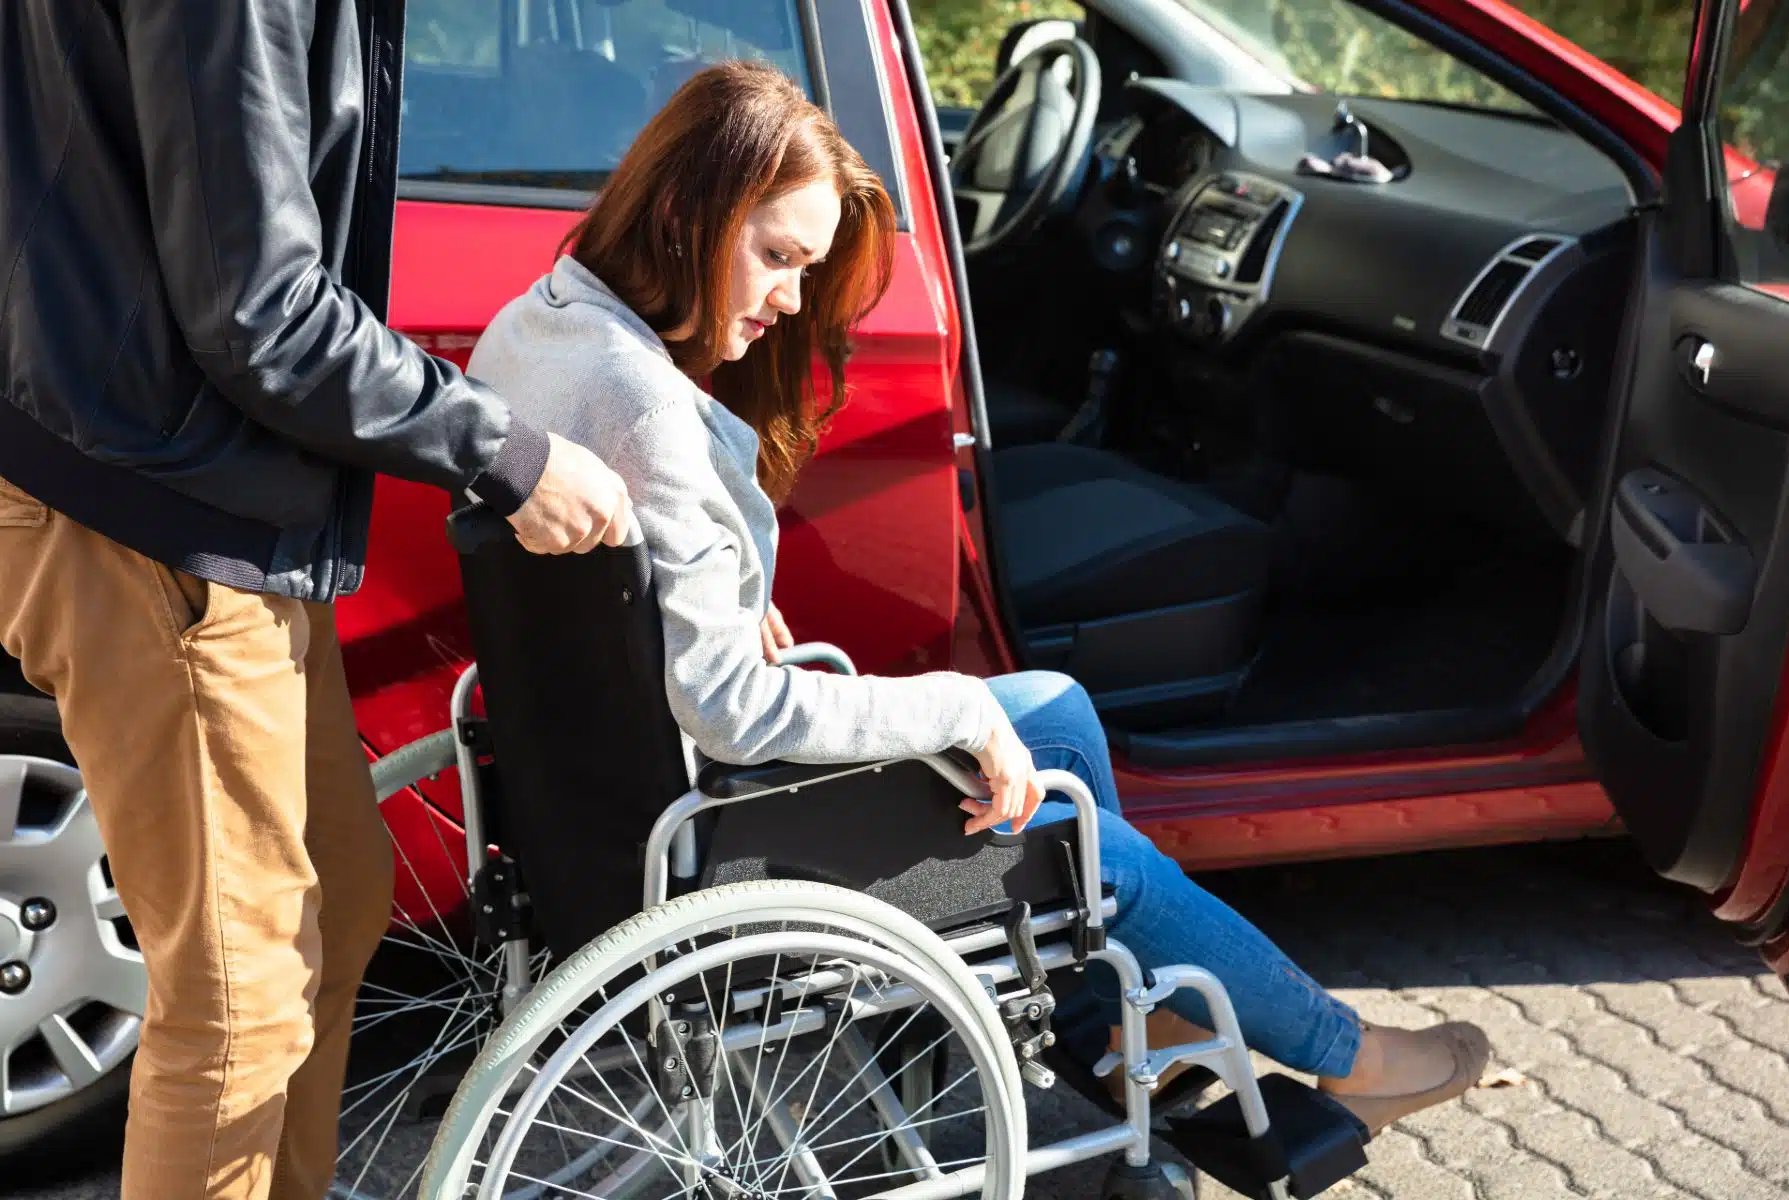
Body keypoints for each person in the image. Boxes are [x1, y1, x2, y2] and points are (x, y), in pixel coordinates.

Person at [469, 59, 1491, 1137]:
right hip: (719, 834)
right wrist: (955, 706)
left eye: (803, 272)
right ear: (684, 213)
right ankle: (1345, 1056)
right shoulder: (643, 407)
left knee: (1057, 705)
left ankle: (1104, 1023)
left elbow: (635, 608)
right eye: (777, 258)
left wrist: (693, 605)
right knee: (1085, 839)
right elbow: (732, 709)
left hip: (612, 801)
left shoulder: (535, 330)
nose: (787, 301)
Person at [0, 4, 631, 1198]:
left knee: (337, 903)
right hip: (153, 510)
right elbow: (262, 311)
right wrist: (509, 456)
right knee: (240, 1005)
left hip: (202, 495)